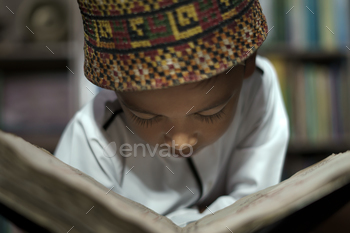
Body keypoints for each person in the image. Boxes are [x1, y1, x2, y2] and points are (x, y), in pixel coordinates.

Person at [54, 0, 289, 227]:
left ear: (248, 62)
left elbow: (254, 202)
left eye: (211, 113)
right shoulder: (91, 140)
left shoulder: (259, 88)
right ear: (114, 91)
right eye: (146, 118)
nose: (181, 142)